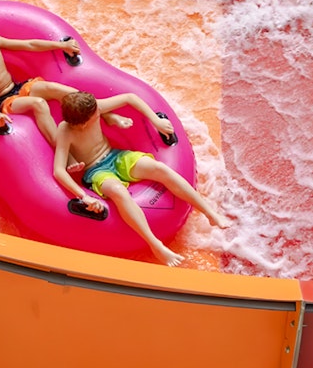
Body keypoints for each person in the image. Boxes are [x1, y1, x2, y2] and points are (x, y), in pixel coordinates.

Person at [52, 91, 231, 267]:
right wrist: (84, 195)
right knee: (117, 191)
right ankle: (155, 244)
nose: (100, 112)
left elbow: (130, 98)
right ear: (82, 124)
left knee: (160, 168)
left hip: (116, 157)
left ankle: (210, 213)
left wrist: (156, 120)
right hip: (95, 171)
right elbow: (59, 171)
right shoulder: (65, 131)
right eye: (96, 114)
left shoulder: (95, 107)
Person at [0, 21, 126, 153]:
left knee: (52, 88)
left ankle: (103, 111)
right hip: (2, 101)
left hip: (18, 87)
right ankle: (64, 153)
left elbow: (29, 45)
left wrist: (61, 46)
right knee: (38, 103)